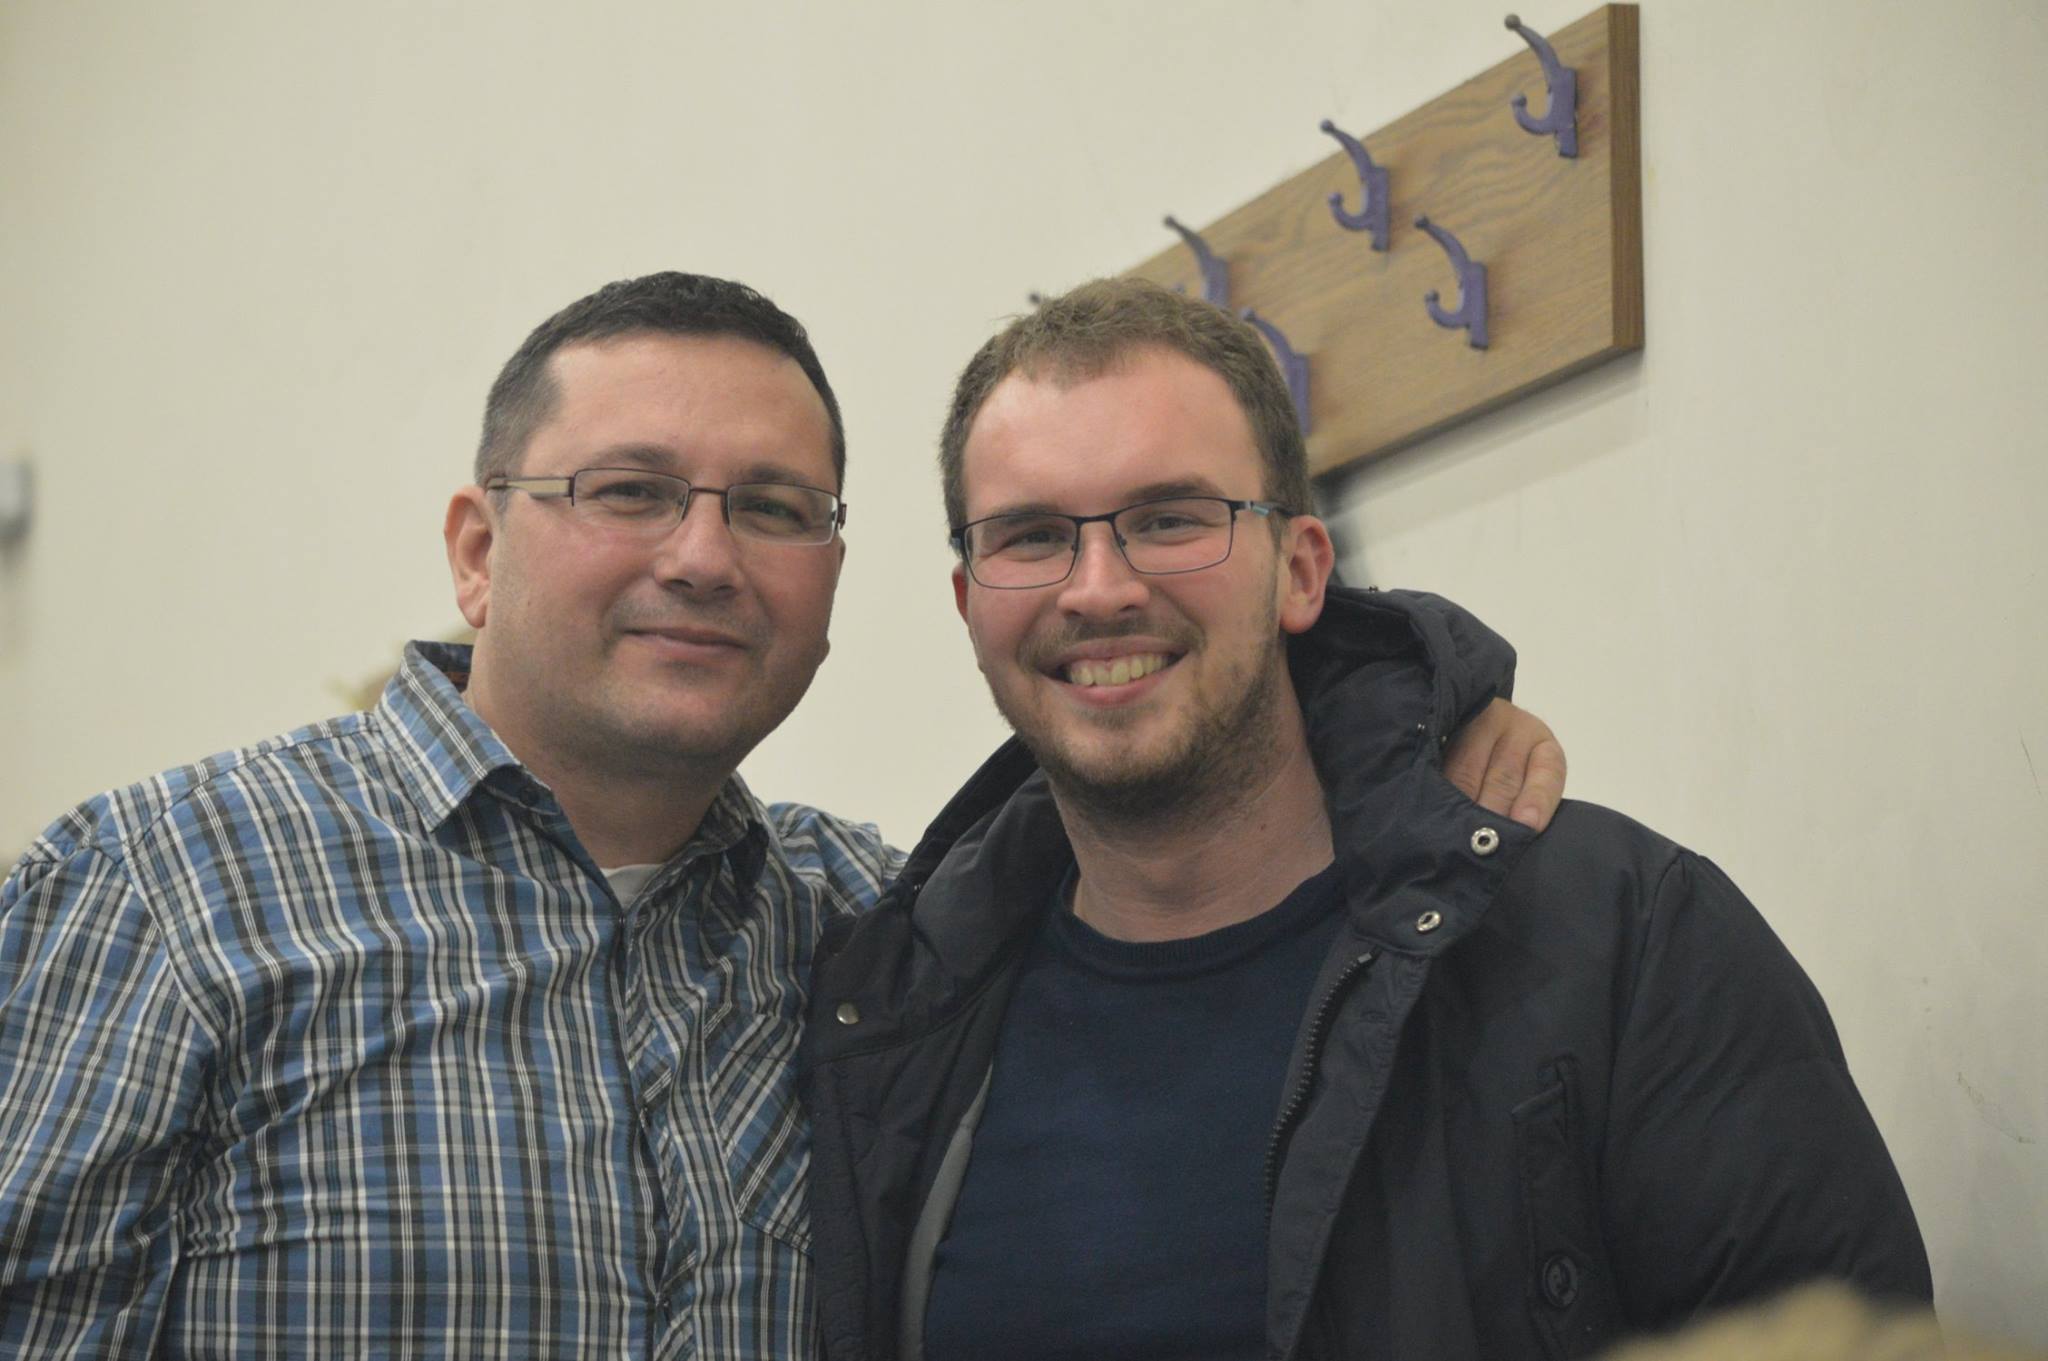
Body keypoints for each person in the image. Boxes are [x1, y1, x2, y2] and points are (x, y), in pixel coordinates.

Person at [0, 272, 1564, 1358]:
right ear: (478, 549)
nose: (703, 556)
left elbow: (1171, 804)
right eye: (627, 490)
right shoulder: (164, 894)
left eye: (771, 507)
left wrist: (1406, 746)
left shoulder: (883, 934)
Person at [797, 278, 1933, 1361]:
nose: (1097, 587)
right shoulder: (902, 1016)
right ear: (970, 601)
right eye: (1031, 536)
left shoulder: (1625, 940)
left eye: (1170, 517)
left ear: (1300, 571)